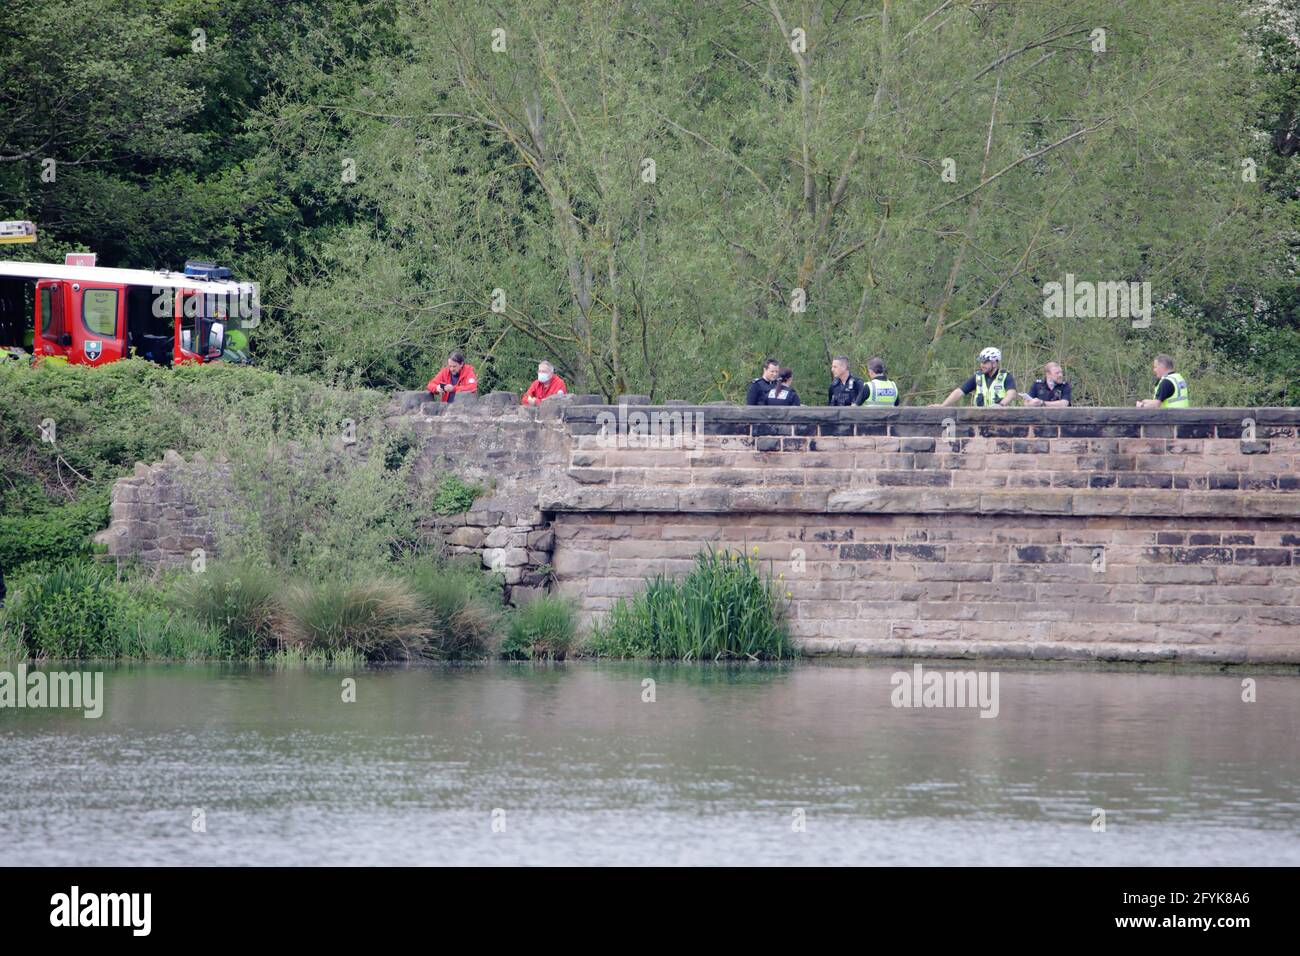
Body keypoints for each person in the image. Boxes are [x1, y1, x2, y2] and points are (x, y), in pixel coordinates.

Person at [937, 347, 1017, 407]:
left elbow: (1011, 393)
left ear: (995, 363)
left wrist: (1001, 405)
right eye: (981, 362)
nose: (982, 365)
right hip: (980, 417)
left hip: (1000, 417)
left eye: (985, 362)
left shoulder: (1005, 376)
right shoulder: (978, 377)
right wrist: (943, 406)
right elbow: (959, 391)